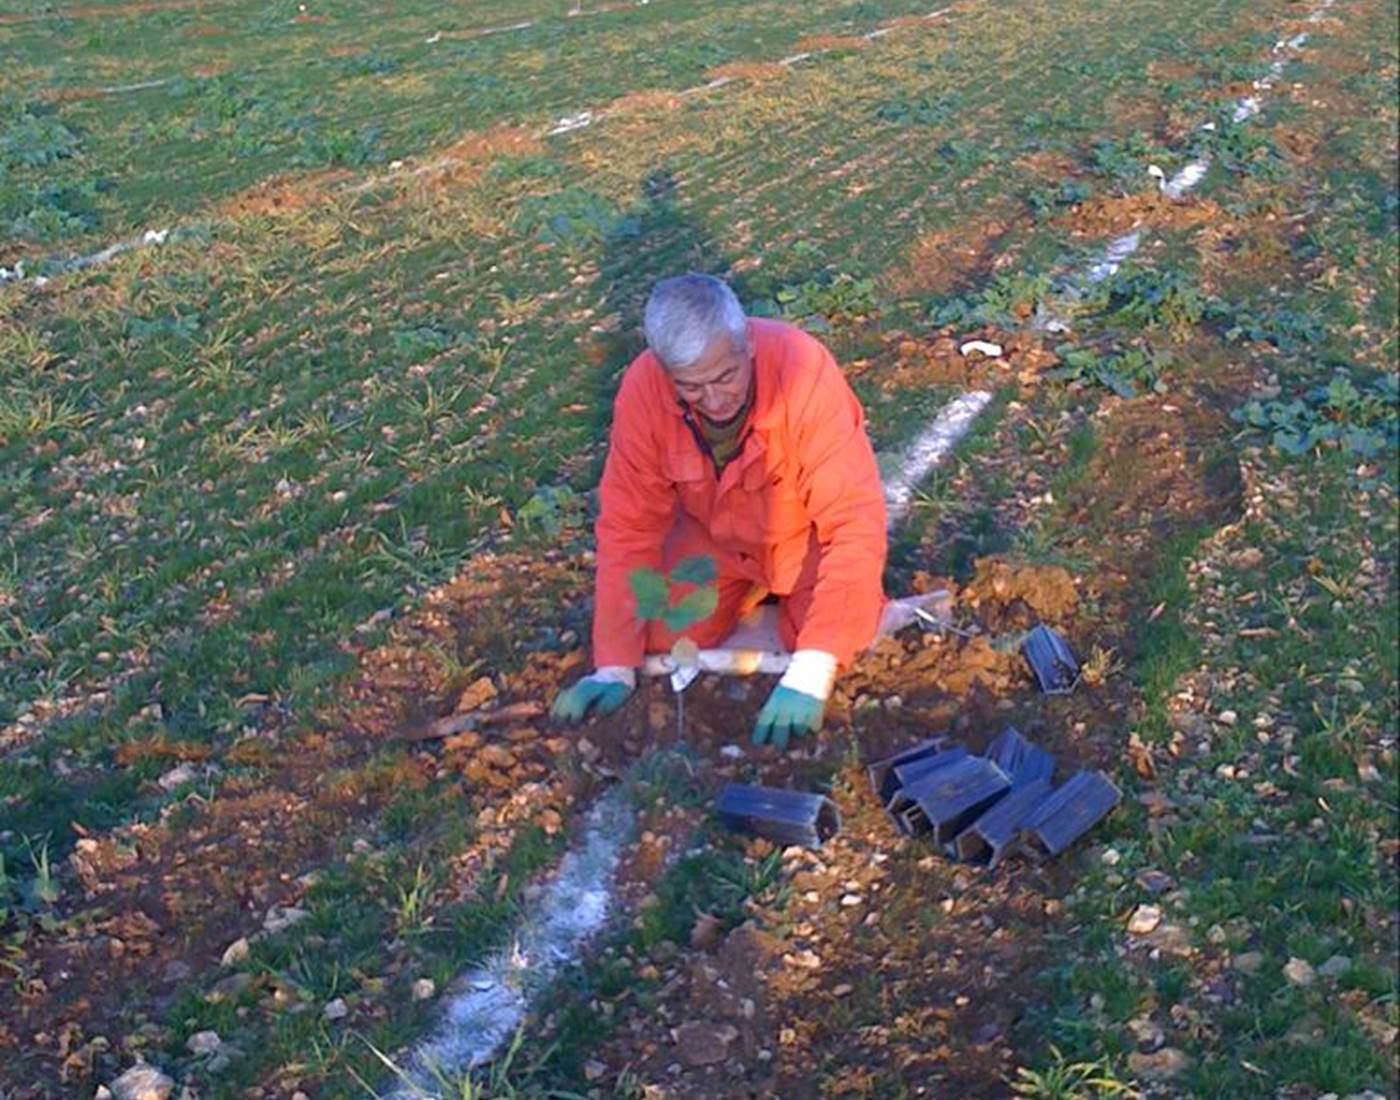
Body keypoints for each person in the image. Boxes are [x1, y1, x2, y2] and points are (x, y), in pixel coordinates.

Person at [551, 273, 887, 749]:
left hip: (798, 540)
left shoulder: (803, 371)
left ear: (746, 342)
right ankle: (747, 594)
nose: (713, 400)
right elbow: (627, 528)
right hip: (713, 543)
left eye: (725, 377)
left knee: (836, 637)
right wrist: (614, 665)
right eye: (691, 387)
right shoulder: (644, 391)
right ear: (666, 373)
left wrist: (811, 672)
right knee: (660, 635)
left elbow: (853, 521)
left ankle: (784, 600)